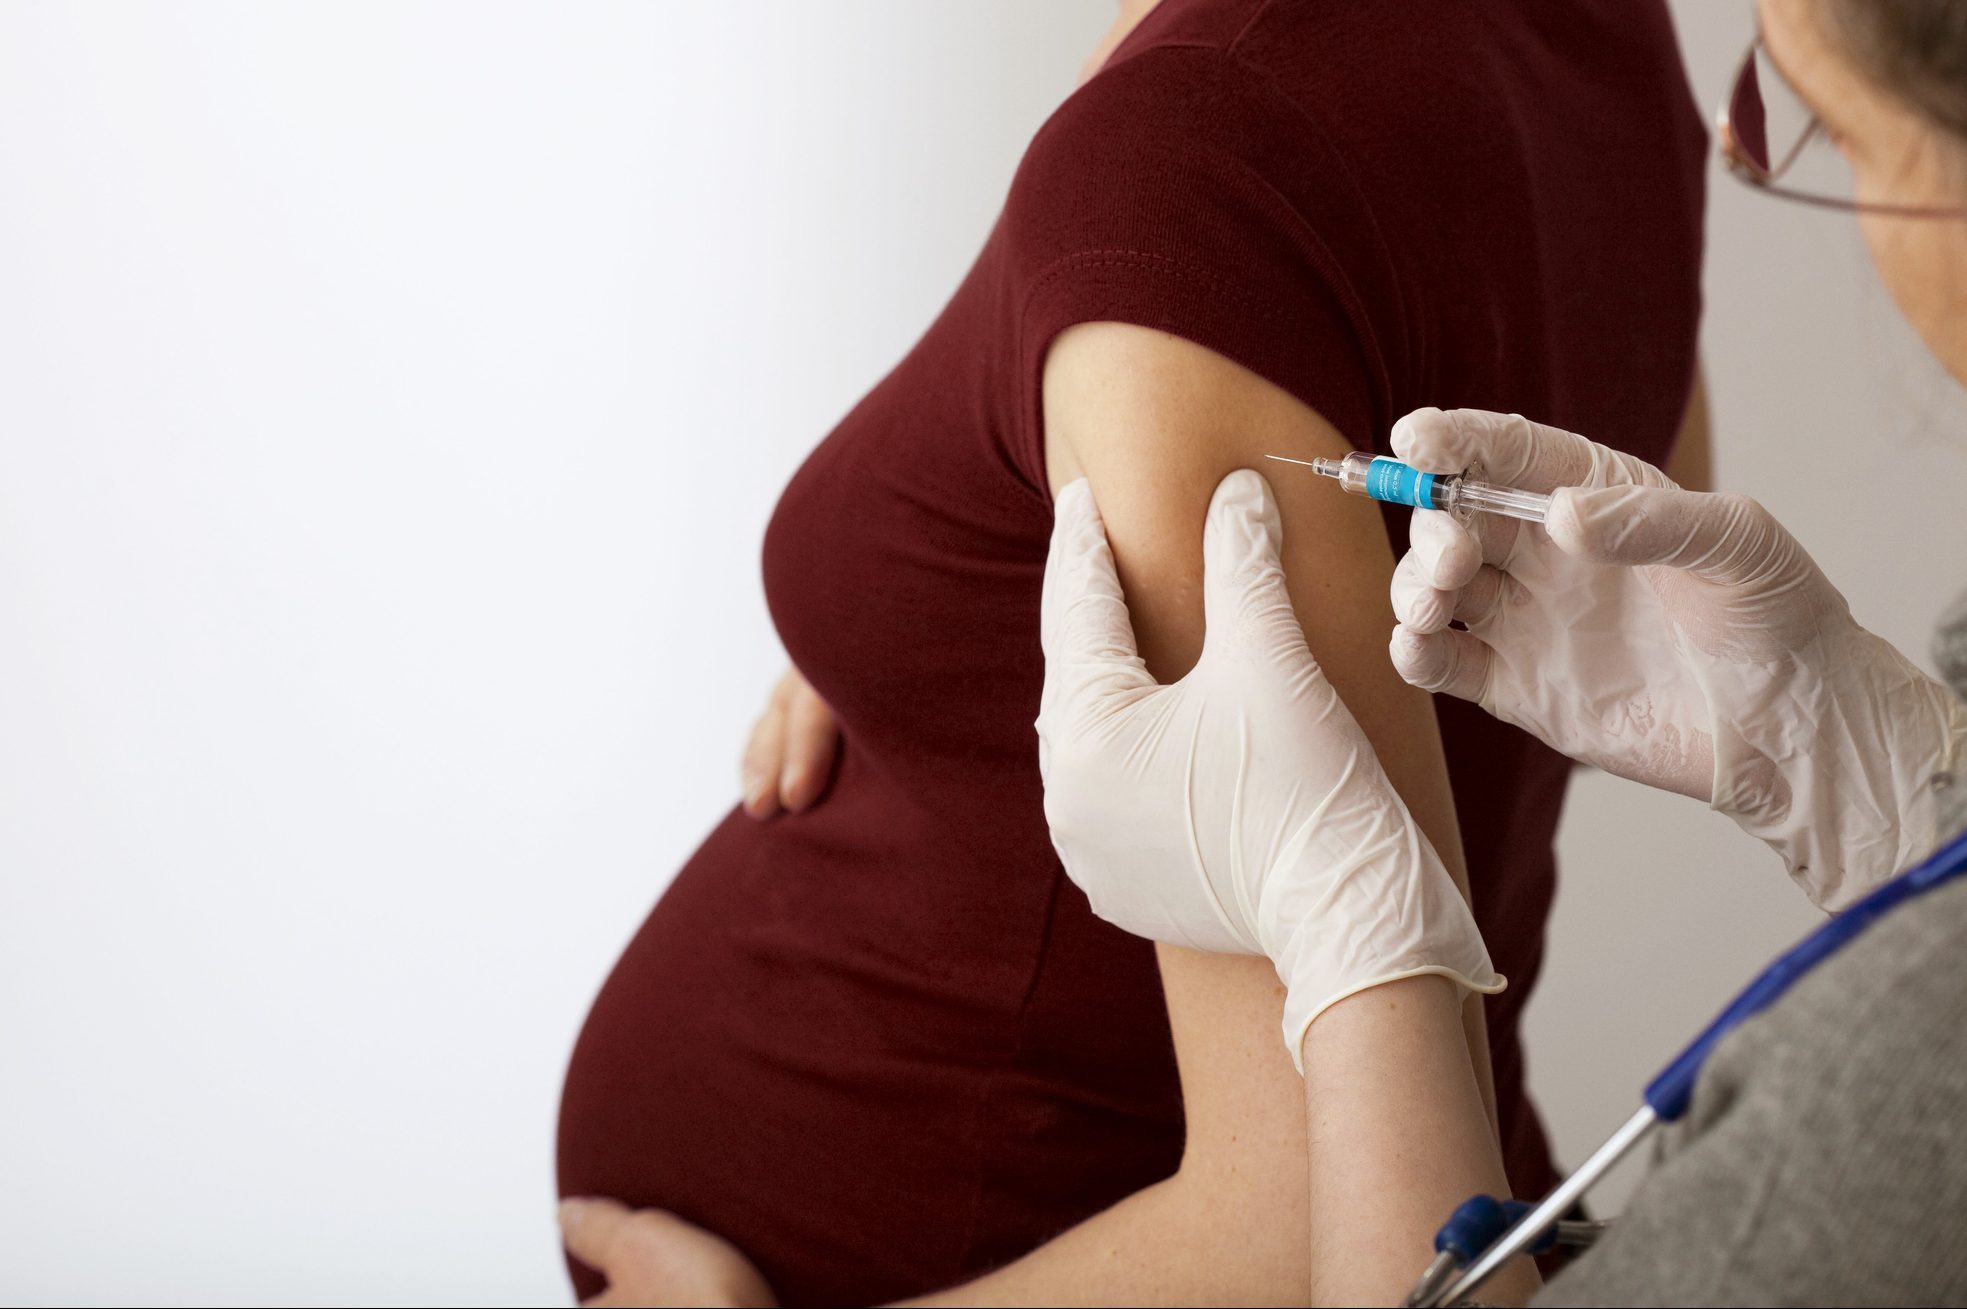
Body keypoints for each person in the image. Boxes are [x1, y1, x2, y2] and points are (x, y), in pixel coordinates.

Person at [556, 0, 1967, 1305]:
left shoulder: (1205, 169)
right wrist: (905, 626)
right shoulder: (1596, 35)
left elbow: (1296, 1225)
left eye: (1833, 132)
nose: (1785, 139)